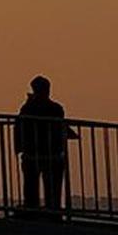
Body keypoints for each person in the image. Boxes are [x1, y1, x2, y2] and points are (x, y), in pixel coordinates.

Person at [14, 75, 75, 217]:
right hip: (51, 155)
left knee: (31, 188)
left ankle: (32, 212)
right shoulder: (56, 108)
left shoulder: (28, 108)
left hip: (34, 155)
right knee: (51, 189)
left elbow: (20, 125)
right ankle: (52, 213)